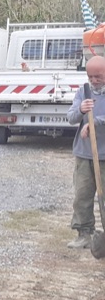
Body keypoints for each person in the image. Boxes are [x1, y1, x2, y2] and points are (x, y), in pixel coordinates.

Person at [66, 55, 105, 249]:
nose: (94, 80)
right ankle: (84, 234)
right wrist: (81, 110)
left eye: (98, 76)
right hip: (84, 154)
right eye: (90, 76)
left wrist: (94, 123)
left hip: (104, 155)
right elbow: (71, 117)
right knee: (82, 196)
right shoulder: (83, 92)